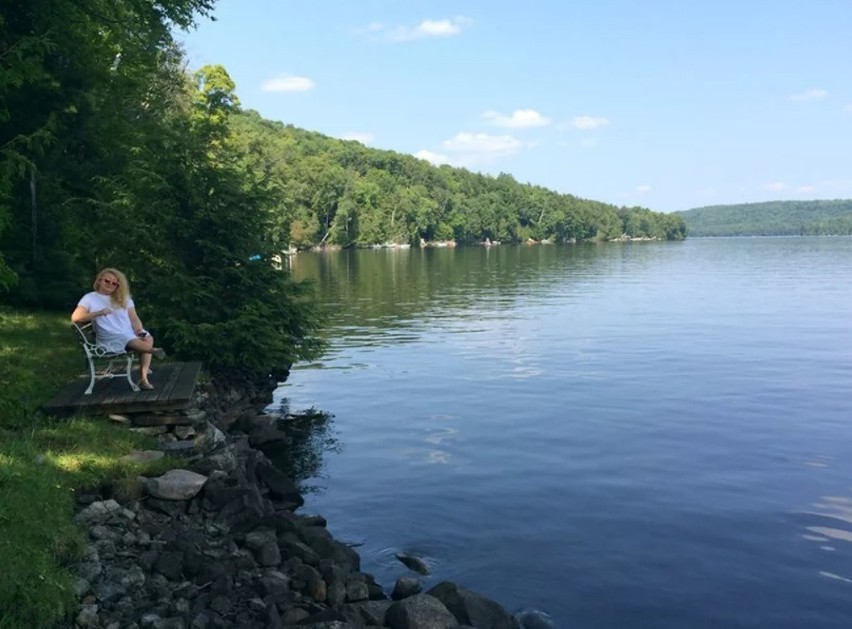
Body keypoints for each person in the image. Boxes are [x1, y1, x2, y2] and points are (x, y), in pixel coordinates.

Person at [71, 268, 166, 391]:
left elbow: (134, 318)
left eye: (115, 283)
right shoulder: (89, 298)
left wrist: (139, 330)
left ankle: (143, 379)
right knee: (129, 339)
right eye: (107, 281)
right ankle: (152, 351)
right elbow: (75, 317)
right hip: (109, 337)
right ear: (99, 280)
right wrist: (98, 313)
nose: (110, 284)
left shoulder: (122, 298)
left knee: (147, 337)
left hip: (127, 334)